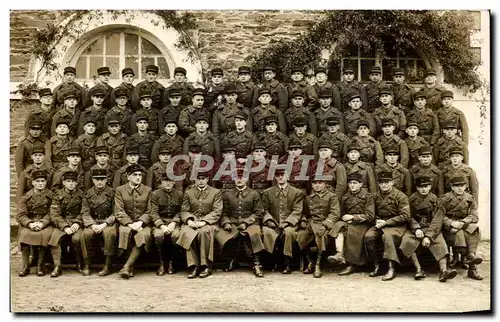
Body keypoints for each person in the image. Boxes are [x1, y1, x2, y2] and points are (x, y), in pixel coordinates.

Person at [399, 176, 457, 282]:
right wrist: (416, 229)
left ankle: (443, 271)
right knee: (407, 241)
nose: (423, 189)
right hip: (415, 229)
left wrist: (429, 236)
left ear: (430, 186)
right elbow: (409, 216)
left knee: (440, 243)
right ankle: (418, 269)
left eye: (426, 186)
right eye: (420, 187)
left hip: (431, 228)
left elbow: (437, 220)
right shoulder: (411, 199)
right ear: (417, 187)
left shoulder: (436, 200)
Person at [215, 169, 266, 277]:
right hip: (233, 223)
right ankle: (231, 260)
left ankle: (257, 263)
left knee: (255, 234)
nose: (239, 180)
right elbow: (224, 213)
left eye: (242, 177)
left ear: (246, 179)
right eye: (237, 178)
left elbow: (258, 213)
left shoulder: (254, 194)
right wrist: (226, 222)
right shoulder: (228, 194)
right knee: (221, 235)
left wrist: (246, 223)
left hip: (251, 223)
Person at [364, 171, 410, 281]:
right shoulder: (375, 196)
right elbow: (371, 213)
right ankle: (377, 265)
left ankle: (391, 268)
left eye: (387, 182)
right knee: (368, 236)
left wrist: (387, 222)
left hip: (397, 225)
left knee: (387, 237)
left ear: (392, 183)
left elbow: (406, 215)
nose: (384, 185)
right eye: (381, 182)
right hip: (380, 224)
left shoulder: (400, 196)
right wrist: (376, 220)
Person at [177, 172, 223, 278]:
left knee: (204, 232)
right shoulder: (189, 193)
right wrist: (189, 220)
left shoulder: (216, 192)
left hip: (209, 223)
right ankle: (194, 266)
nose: (201, 181)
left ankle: (206, 265)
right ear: (195, 180)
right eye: (199, 178)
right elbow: (184, 210)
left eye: (203, 178)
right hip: (193, 221)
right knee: (187, 232)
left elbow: (217, 211)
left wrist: (204, 221)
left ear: (207, 179)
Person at [296, 175, 342, 278]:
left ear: (324, 184)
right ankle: (310, 262)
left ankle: (317, 265)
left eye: (320, 183)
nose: (317, 185)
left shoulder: (332, 196)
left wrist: (325, 225)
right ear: (312, 185)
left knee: (321, 237)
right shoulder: (308, 198)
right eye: (315, 183)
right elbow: (304, 213)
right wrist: (303, 220)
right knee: (300, 235)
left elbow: (335, 214)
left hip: (324, 223)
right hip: (310, 223)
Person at [261, 169, 304, 274]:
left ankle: (287, 262)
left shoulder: (297, 192)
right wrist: (269, 220)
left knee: (288, 233)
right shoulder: (267, 192)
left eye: (283, 175)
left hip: (290, 224)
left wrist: (287, 222)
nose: (280, 177)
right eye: (278, 175)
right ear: (275, 177)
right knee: (267, 232)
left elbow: (297, 211)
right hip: (273, 223)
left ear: (288, 176)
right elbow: (264, 209)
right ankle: (271, 261)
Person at [115, 164, 154, 279]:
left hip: (143, 224)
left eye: (140, 175)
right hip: (126, 222)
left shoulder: (148, 190)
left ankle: (127, 266)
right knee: (125, 232)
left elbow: (150, 210)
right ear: (128, 177)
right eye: (135, 175)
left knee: (143, 235)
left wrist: (141, 222)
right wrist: (130, 224)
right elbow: (119, 210)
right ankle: (131, 267)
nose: (138, 177)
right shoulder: (120, 190)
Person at [441, 176, 483, 280]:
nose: (460, 188)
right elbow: (439, 216)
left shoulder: (469, 198)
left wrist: (462, 222)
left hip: (463, 225)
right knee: (460, 234)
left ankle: (472, 260)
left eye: (462, 185)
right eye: (457, 186)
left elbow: (474, 216)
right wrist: (451, 223)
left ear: (465, 186)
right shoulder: (445, 199)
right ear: (452, 187)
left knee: (475, 228)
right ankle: (470, 261)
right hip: (450, 227)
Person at [335, 172, 375, 276]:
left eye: (355, 183)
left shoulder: (368, 197)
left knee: (351, 232)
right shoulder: (345, 197)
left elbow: (370, 216)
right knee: (338, 226)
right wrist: (344, 217)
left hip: (363, 223)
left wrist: (353, 217)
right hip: (349, 222)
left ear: (361, 184)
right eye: (350, 183)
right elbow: (342, 213)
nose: (352, 185)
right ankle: (339, 254)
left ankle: (351, 264)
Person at [16, 170, 54, 277]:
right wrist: (30, 224)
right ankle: (25, 265)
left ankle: (40, 265)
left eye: (43, 181)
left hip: (45, 223)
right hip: (31, 222)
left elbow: (53, 213)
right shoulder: (26, 197)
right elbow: (21, 215)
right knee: (24, 235)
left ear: (46, 182)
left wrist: (42, 223)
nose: (40, 183)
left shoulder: (51, 196)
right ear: (33, 183)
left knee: (44, 235)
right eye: (37, 181)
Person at [48, 171, 85, 277]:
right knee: (55, 239)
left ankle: (79, 263)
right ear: (63, 182)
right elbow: (54, 214)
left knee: (77, 239)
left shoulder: (82, 194)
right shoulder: (57, 195)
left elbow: (84, 211)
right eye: (68, 181)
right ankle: (57, 266)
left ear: (76, 183)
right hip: (62, 224)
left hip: (76, 224)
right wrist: (64, 227)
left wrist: (78, 223)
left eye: (73, 181)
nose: (71, 184)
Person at [80, 168, 117, 276]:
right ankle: (87, 264)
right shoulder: (88, 194)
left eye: (102, 179)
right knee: (85, 234)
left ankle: (107, 265)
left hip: (108, 222)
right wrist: (92, 224)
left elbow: (116, 212)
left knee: (109, 234)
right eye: (97, 179)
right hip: (94, 221)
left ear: (106, 180)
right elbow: (85, 212)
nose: (100, 182)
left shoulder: (112, 193)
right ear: (93, 180)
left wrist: (105, 223)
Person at [150, 172, 183, 275]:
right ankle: (161, 264)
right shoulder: (155, 194)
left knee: (176, 236)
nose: (168, 183)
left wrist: (174, 222)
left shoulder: (179, 194)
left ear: (174, 182)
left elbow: (181, 211)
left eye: (170, 181)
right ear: (162, 182)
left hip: (174, 222)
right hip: (161, 222)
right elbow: (153, 212)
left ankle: (171, 263)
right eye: (165, 181)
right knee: (159, 236)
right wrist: (161, 225)